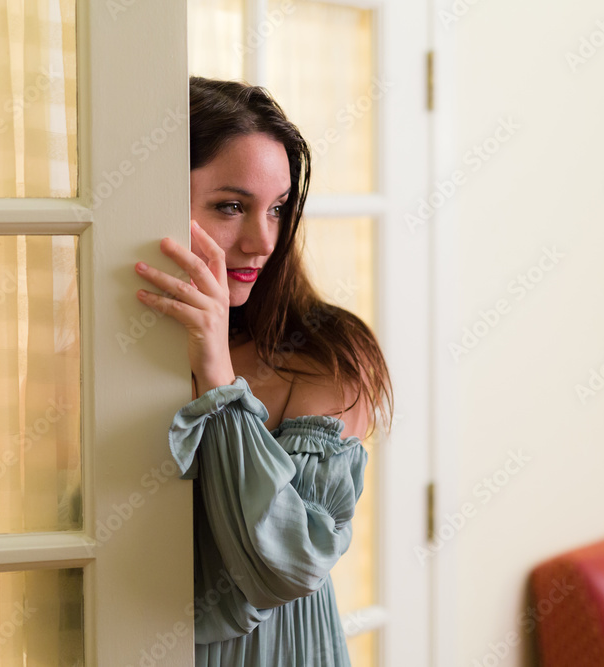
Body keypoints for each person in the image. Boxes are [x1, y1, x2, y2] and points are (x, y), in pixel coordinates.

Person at [134, 76, 394, 666]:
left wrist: (219, 377)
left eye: (277, 209)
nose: (262, 240)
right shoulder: (108, 351)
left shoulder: (328, 356)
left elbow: (288, 564)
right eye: (232, 207)